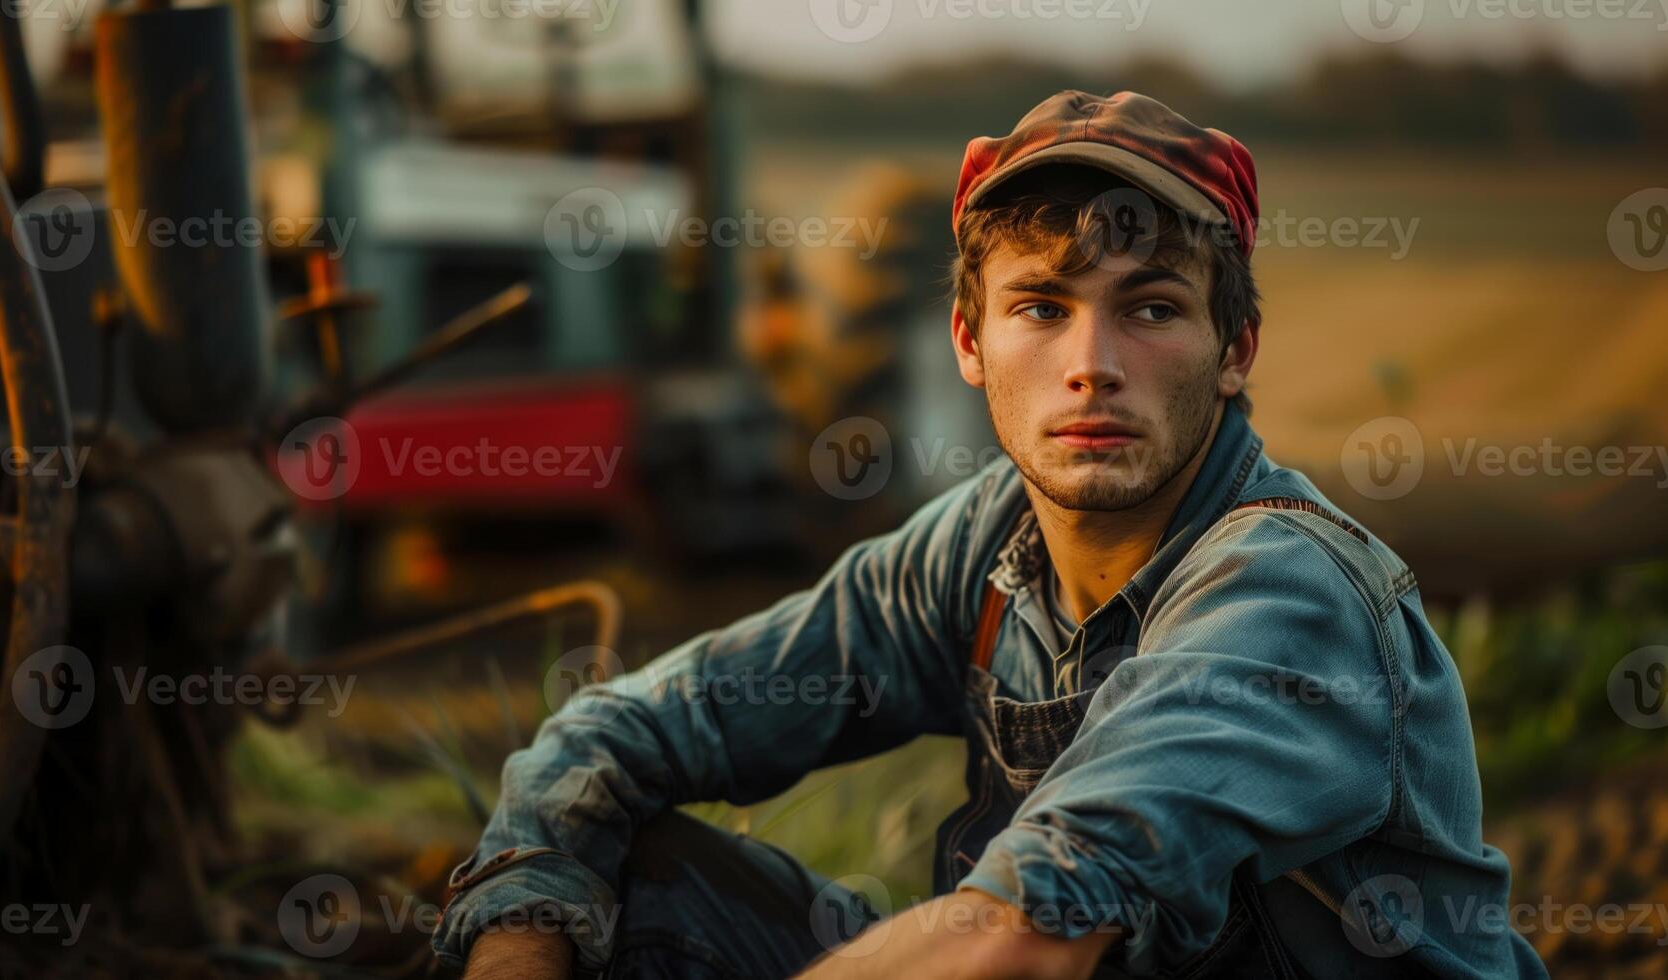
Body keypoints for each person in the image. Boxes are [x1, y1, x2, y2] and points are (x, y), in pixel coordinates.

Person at [430, 90, 1549, 978]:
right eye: (1042, 307)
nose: (1093, 361)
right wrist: (522, 940)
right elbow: (616, 731)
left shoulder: (1288, 593)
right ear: (969, 339)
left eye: (1152, 308)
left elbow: (1024, 933)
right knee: (636, 873)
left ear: (1236, 348)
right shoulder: (981, 549)